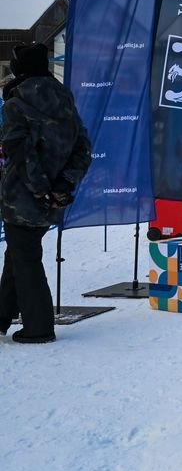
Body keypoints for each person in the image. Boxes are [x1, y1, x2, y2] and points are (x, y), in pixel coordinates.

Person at [1, 43, 92, 344]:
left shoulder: (16, 103)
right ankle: (2, 315)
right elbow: (83, 148)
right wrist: (63, 186)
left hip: (22, 198)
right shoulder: (64, 98)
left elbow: (19, 152)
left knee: (25, 258)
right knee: (19, 253)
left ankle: (39, 327)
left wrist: (41, 190)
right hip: (52, 198)